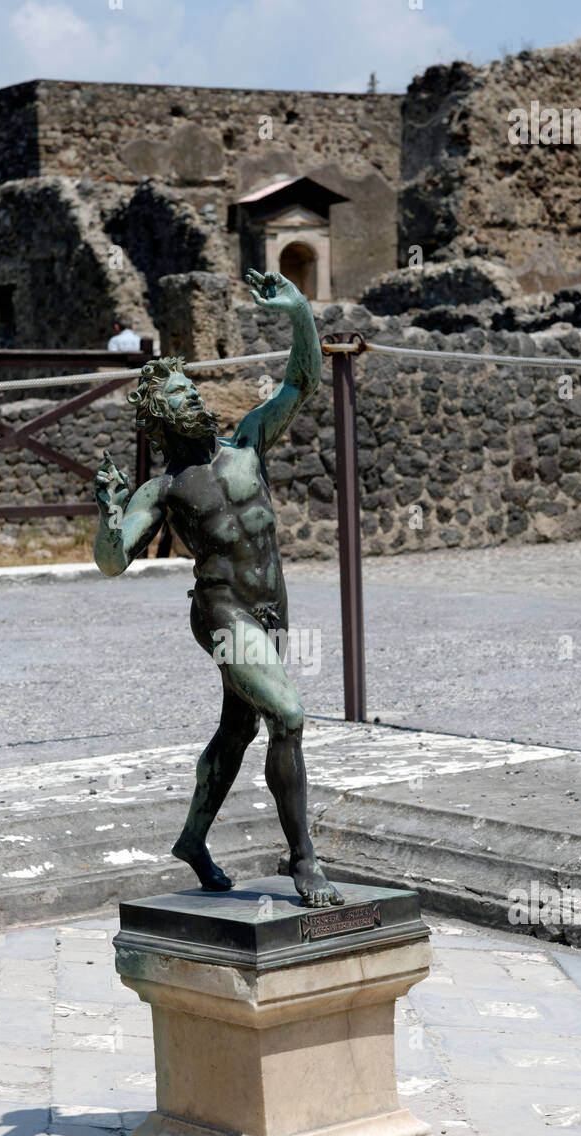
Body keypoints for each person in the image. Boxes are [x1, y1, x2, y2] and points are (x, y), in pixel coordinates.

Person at [93, 268, 343, 908]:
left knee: (238, 731)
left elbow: (302, 381)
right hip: (221, 612)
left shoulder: (248, 444)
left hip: (271, 609)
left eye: (192, 389)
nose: (195, 401)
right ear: (161, 419)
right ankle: (304, 861)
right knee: (287, 717)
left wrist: (298, 312)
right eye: (180, 398)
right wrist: (107, 515)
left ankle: (193, 840)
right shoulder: (166, 488)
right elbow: (113, 561)